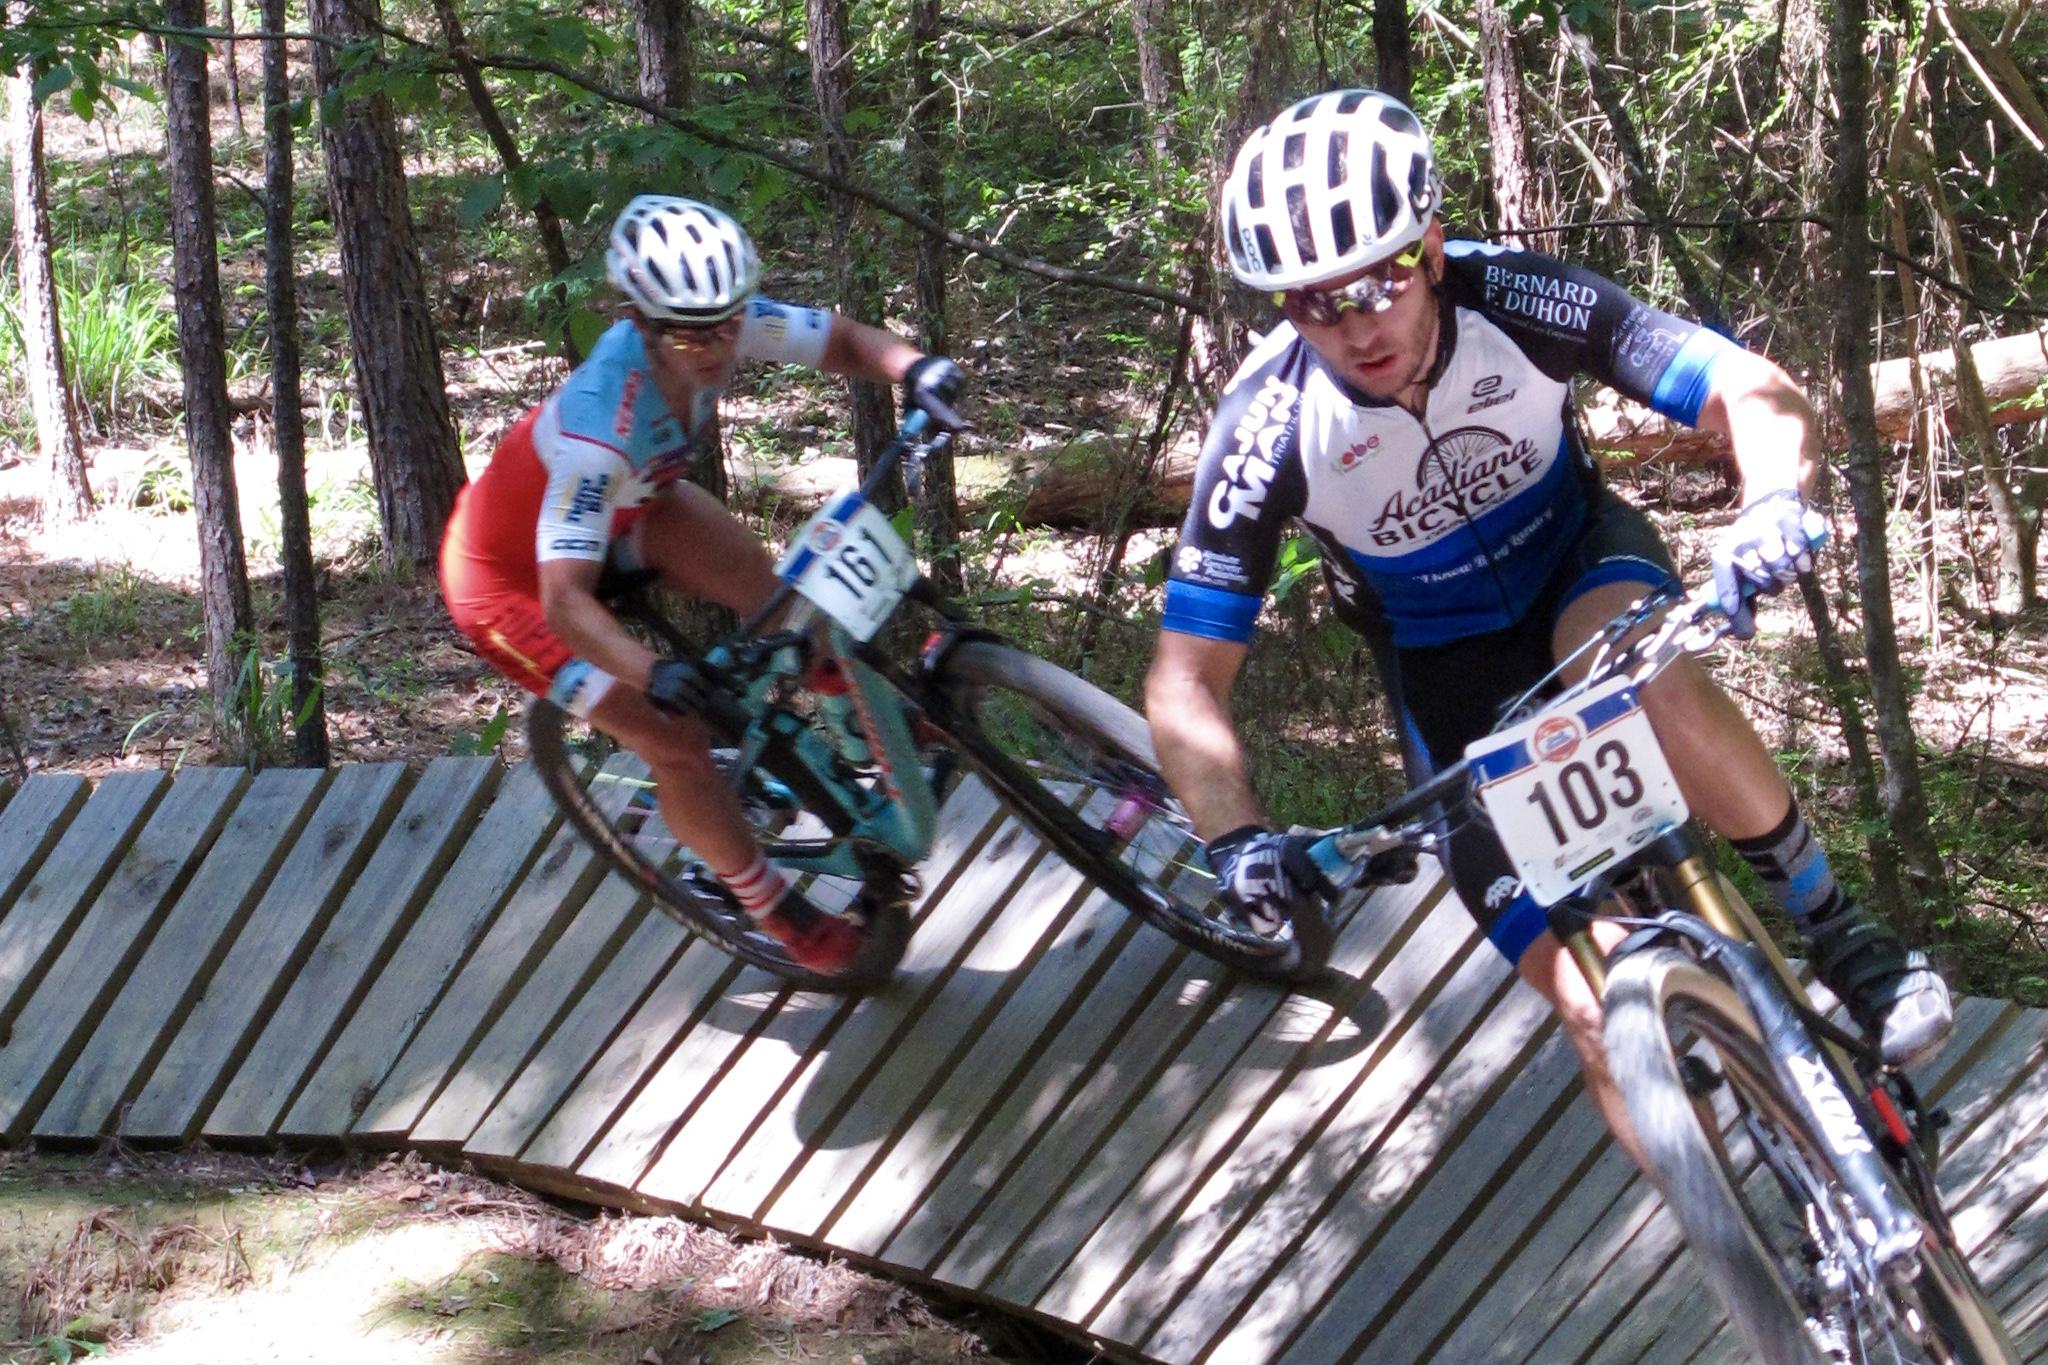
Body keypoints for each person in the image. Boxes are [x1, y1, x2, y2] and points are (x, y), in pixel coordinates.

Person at [1143, 89, 1951, 1149]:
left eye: (1375, 280)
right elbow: (1182, 679)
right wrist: (1238, 839)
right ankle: (1753, 1256)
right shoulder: (1270, 424)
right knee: (1593, 1011)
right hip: (1445, 673)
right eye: (1311, 302)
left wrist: (1771, 504)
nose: (1353, 323)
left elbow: (1744, 388)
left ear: (1428, 248)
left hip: (1578, 569)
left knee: (1629, 673)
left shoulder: (1514, 298)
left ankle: (1833, 929)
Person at [440, 194, 963, 974]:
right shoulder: (598, 428)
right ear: (641, 322)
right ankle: (772, 907)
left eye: (729, 322)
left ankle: (858, 733)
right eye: (690, 332)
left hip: (633, 504)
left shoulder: (709, 316)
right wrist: (656, 673)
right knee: (674, 735)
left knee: (776, 593)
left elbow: (845, 341)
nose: (716, 345)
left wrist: (914, 367)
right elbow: (565, 601)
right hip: (513, 588)